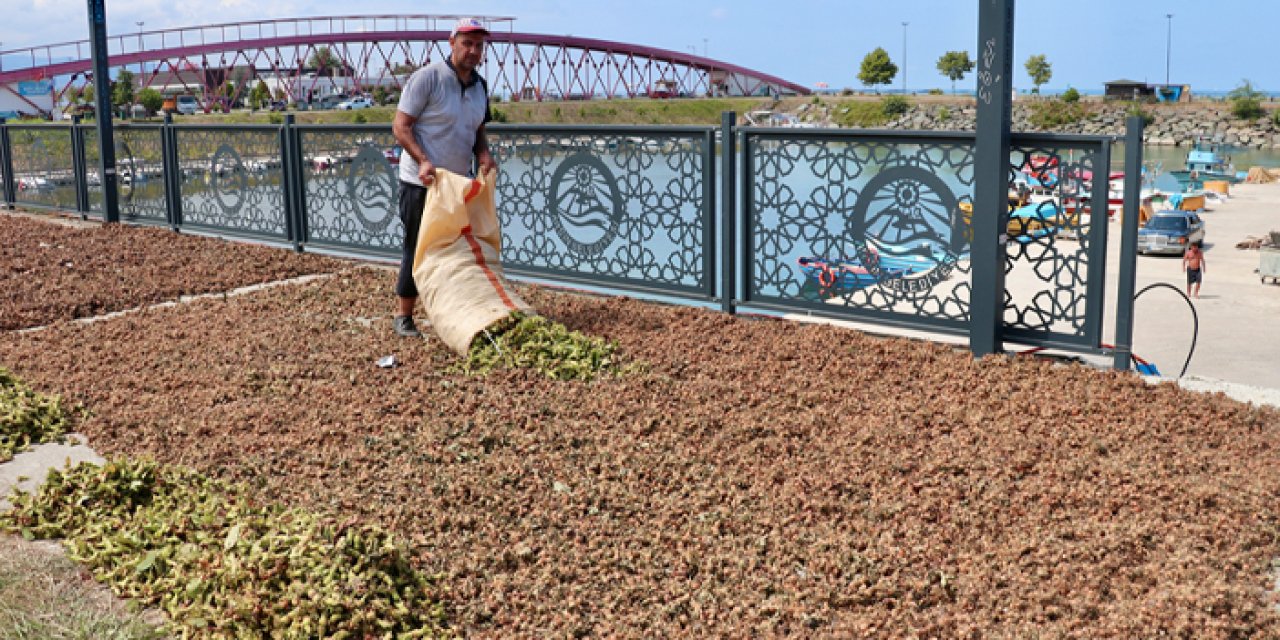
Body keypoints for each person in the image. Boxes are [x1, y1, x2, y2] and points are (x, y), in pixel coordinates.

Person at [390, 17, 497, 337]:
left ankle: (455, 312)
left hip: (458, 185)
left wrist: (483, 154)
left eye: (479, 45)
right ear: (451, 43)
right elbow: (400, 126)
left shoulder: (481, 86)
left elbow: (477, 129)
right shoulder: (427, 78)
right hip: (421, 182)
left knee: (459, 250)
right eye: (467, 43)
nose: (473, 51)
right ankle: (404, 316)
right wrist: (423, 161)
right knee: (418, 247)